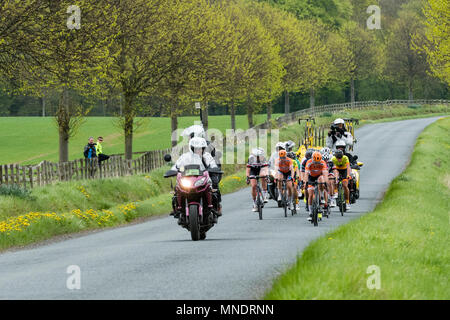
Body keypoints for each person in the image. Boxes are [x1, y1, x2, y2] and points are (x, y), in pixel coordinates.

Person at [171, 137, 220, 222]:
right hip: (188, 179)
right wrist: (172, 171)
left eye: (201, 148)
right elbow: (176, 166)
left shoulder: (207, 156)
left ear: (204, 148)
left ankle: (215, 207)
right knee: (176, 189)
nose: (199, 150)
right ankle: (177, 209)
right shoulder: (185, 157)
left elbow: (213, 164)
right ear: (192, 148)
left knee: (214, 189)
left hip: (202, 178)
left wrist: (214, 168)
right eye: (196, 148)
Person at [182, 124, 222, 215]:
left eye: (190, 136)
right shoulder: (189, 146)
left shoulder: (208, 145)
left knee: (214, 184)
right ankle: (179, 206)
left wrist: (213, 168)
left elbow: (212, 158)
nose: (188, 138)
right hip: (193, 171)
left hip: (208, 169)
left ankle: (217, 204)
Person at [305, 151, 329, 221]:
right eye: (315, 162)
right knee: (310, 194)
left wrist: (326, 183)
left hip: (319, 176)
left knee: (321, 180)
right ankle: (310, 212)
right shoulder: (309, 162)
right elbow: (306, 174)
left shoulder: (323, 162)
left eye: (317, 162)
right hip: (311, 177)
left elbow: (325, 174)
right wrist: (306, 182)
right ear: (312, 159)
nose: (316, 164)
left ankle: (321, 196)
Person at [246, 148, 269, 212]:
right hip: (253, 170)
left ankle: (265, 194)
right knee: (253, 186)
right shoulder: (251, 158)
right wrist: (247, 177)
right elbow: (248, 169)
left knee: (263, 176)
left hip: (261, 169)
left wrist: (267, 176)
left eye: (260, 156)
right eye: (257, 156)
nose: (258, 158)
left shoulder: (263, 158)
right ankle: (254, 203)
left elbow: (266, 168)